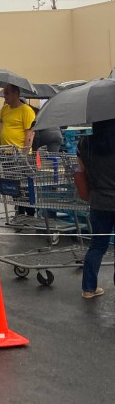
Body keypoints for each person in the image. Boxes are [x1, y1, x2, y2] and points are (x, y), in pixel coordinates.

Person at [77, 120, 115, 299]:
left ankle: (88, 288)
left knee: (97, 246)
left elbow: (81, 169)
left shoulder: (85, 142)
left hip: (98, 201)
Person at [0, 85, 35, 151]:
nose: (4, 96)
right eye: (4, 93)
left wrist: (24, 154)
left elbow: (29, 134)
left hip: (18, 153)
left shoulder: (26, 110)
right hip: (4, 152)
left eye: (7, 93)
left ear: (16, 94)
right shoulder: (4, 108)